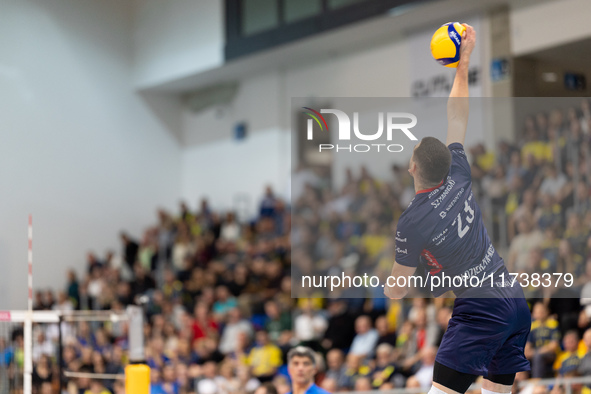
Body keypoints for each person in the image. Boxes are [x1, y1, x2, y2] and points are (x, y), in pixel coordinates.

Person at [384, 24, 531, 394]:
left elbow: (398, 289)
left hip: (481, 310)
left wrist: (392, 287)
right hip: (511, 297)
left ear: (412, 167)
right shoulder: (459, 174)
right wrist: (462, 63)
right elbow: (457, 117)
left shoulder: (412, 220)